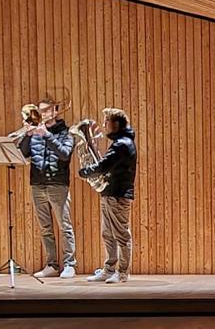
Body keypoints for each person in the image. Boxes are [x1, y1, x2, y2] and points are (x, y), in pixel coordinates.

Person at [18, 97, 76, 277]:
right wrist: (27, 135)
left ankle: (69, 264)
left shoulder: (67, 133)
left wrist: (47, 135)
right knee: (45, 228)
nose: (41, 114)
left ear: (55, 111)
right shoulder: (35, 132)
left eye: (45, 110)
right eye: (39, 111)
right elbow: (23, 153)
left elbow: (65, 154)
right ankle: (52, 265)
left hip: (58, 185)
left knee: (64, 226)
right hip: (37, 184)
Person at [81, 107, 136, 283]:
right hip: (109, 192)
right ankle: (109, 269)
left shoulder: (122, 144)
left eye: (107, 121)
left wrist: (86, 171)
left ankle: (122, 273)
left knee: (121, 235)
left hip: (118, 194)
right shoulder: (120, 142)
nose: (104, 125)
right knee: (107, 234)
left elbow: (103, 165)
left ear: (116, 124)